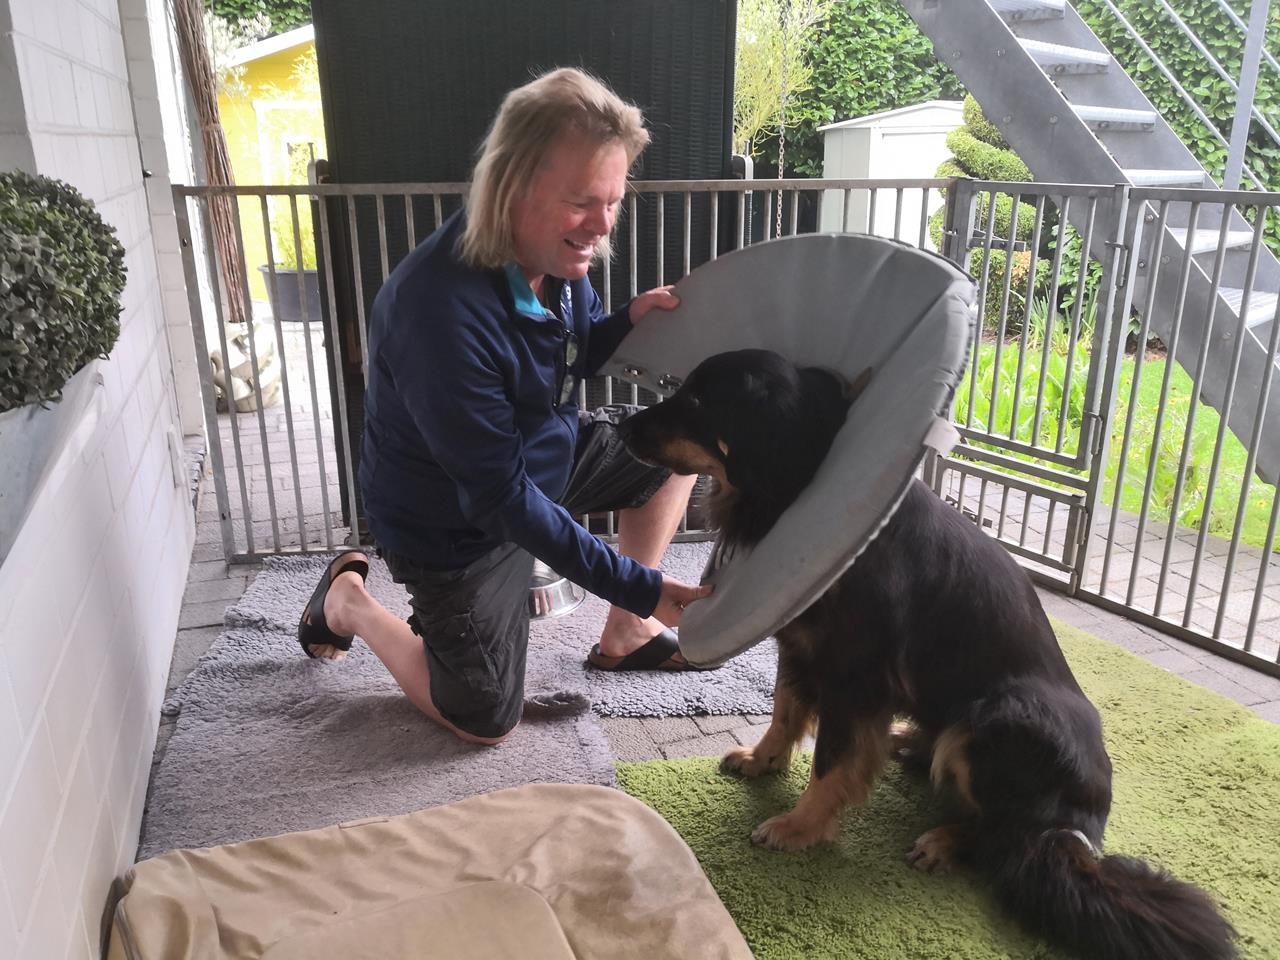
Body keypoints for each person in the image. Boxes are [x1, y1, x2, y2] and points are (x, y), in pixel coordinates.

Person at [296, 67, 713, 745]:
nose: (603, 225)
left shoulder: (556, 260)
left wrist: (626, 321)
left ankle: (626, 631)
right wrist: (643, 583)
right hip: (455, 523)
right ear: (512, 187)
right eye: (583, 202)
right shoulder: (437, 310)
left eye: (613, 201)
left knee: (676, 449)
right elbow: (499, 498)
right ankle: (351, 604)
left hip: (537, 463)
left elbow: (571, 349)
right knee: (485, 718)